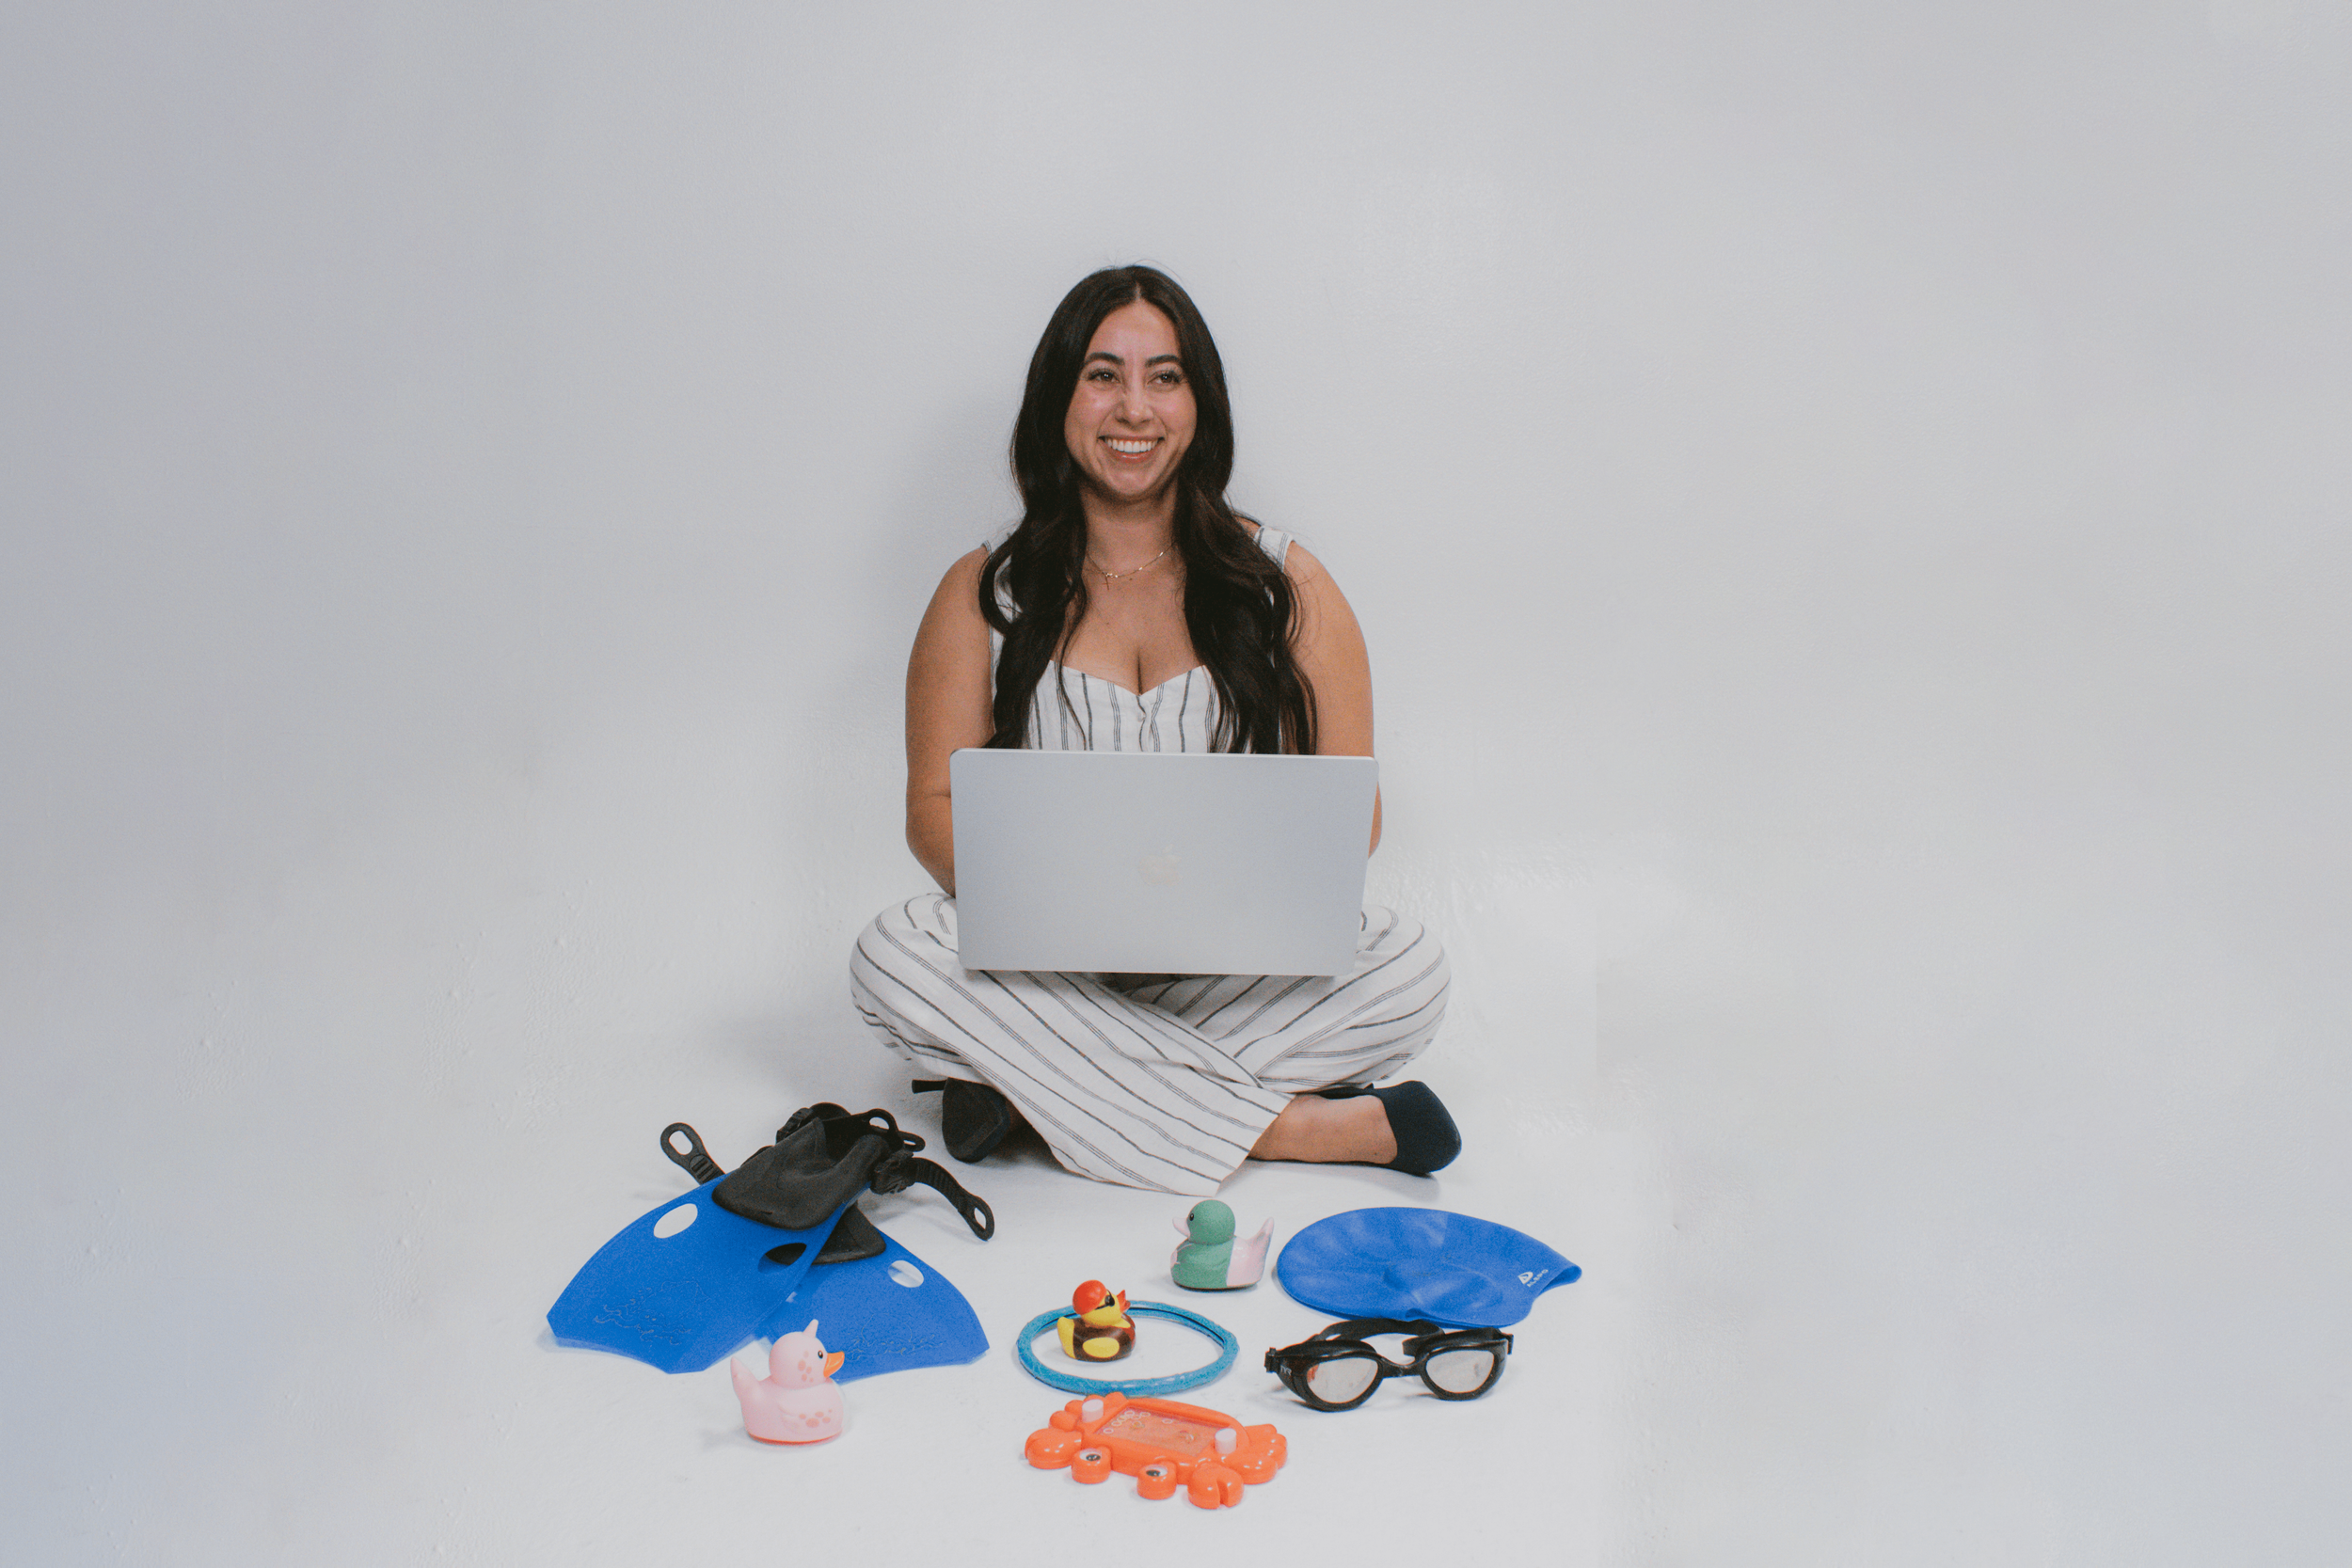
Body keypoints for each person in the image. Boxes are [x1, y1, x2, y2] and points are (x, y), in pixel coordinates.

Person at [850, 265, 1456, 1196]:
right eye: (1103, 374)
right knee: (894, 951)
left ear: (1198, 403)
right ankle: (1291, 1125)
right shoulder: (981, 593)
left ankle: (1038, 1088)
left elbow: (1353, 815)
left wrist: (1218, 903)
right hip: (1046, 964)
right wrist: (1067, 902)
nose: (1134, 408)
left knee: (1408, 966)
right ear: (1059, 396)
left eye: (1164, 376)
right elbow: (931, 809)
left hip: (1229, 969)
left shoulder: (1287, 583)